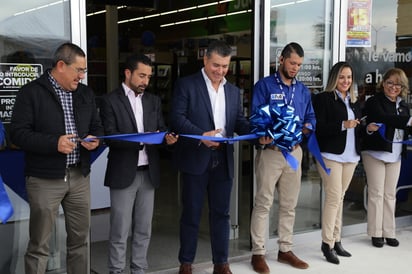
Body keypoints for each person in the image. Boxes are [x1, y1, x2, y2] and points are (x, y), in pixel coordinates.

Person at [10, 42, 103, 274]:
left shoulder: (85, 93)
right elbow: (18, 134)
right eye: (78, 70)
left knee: (80, 240)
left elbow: (97, 126)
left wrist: (96, 139)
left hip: (79, 176)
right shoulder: (30, 92)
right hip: (44, 178)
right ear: (61, 65)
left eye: (84, 71)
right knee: (39, 244)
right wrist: (54, 143)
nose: (81, 76)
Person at [169, 40, 252, 274]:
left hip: (222, 160)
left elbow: (239, 122)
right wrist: (199, 135)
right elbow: (176, 117)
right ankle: (186, 263)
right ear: (205, 60)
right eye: (216, 65)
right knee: (191, 213)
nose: (220, 71)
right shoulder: (187, 85)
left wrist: (258, 135)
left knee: (221, 214)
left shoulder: (234, 91)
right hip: (195, 157)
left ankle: (221, 263)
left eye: (225, 66)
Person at [99, 54, 177, 274]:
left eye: (149, 77)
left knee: (144, 228)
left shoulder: (153, 101)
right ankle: (116, 270)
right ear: (127, 73)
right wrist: (142, 139)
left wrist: (167, 139)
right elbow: (111, 136)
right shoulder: (110, 101)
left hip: (148, 172)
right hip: (124, 171)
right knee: (120, 229)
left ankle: (139, 269)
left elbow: (161, 129)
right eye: (141, 75)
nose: (146, 81)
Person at [250, 42, 316, 273]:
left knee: (289, 204)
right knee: (263, 203)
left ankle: (285, 249)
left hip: (294, 152)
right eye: (292, 63)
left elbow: (310, 117)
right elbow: (256, 117)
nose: (295, 67)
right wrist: (264, 134)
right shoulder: (265, 86)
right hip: (272, 153)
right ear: (281, 60)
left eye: (299, 64)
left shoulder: (303, 90)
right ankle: (258, 253)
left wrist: (306, 128)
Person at [312, 61, 362, 264]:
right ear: (334, 78)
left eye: (349, 77)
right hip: (330, 155)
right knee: (333, 198)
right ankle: (327, 244)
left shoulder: (355, 101)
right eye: (342, 77)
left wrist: (367, 128)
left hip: (351, 156)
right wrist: (343, 125)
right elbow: (319, 127)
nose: (346, 81)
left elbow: (358, 127)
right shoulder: (324, 98)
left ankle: (337, 239)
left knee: (340, 198)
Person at [361, 68, 411, 248]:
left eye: (397, 84)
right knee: (376, 193)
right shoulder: (375, 101)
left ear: (402, 86)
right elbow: (384, 118)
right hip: (375, 153)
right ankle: (375, 233)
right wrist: (408, 121)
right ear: (383, 83)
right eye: (390, 82)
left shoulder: (404, 105)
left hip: (395, 154)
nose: (393, 87)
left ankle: (389, 232)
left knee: (390, 194)